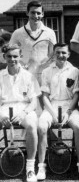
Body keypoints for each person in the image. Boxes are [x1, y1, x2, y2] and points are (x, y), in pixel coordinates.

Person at [37, 43, 79, 181]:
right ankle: (41, 166)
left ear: (69, 54)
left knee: (78, 127)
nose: (61, 55)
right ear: (54, 54)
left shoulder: (75, 71)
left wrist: (68, 112)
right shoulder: (46, 71)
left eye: (64, 53)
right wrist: (53, 115)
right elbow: (44, 97)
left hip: (69, 105)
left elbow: (77, 95)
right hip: (52, 106)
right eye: (58, 52)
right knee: (41, 127)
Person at [0, 44, 41, 182]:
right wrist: (1, 116)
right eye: (9, 56)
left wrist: (24, 113)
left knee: (31, 125)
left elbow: (34, 102)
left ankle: (30, 168)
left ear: (21, 57)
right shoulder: (0, 76)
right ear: (4, 57)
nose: (12, 59)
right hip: (4, 108)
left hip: (24, 107)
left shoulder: (29, 76)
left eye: (15, 56)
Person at [9, 1, 57, 82]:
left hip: (44, 76)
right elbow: (10, 54)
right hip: (24, 76)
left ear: (43, 14)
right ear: (27, 13)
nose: (36, 16)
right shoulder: (18, 33)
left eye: (38, 13)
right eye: (33, 13)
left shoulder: (50, 33)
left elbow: (52, 56)